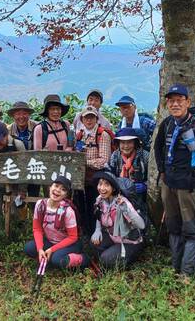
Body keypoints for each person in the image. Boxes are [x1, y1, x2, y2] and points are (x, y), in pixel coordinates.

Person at [154, 84, 195, 276]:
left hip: (188, 185)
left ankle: (187, 273)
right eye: (171, 101)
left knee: (190, 229)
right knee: (173, 226)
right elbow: (158, 149)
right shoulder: (167, 124)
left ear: (188, 102)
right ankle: (175, 266)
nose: (175, 104)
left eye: (179, 100)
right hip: (169, 184)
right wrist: (163, 172)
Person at [23, 176, 88, 269]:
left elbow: (73, 237)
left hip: (70, 244)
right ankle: (49, 256)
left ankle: (84, 259)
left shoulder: (68, 211)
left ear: (66, 195)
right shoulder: (40, 204)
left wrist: (52, 249)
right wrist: (40, 249)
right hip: (50, 241)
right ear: (50, 187)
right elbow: (37, 229)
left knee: (57, 260)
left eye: (63, 189)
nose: (57, 190)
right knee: (29, 248)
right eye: (56, 186)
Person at [90, 171, 146, 268]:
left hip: (129, 241)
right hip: (114, 236)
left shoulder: (122, 202)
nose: (102, 188)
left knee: (105, 260)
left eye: (106, 184)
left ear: (114, 188)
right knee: (93, 244)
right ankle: (113, 254)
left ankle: (129, 257)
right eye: (100, 184)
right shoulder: (100, 200)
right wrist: (97, 230)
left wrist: (126, 210)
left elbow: (141, 225)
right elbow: (99, 215)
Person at [73, 105, 112, 234]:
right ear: (82, 120)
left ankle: (96, 232)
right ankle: (84, 231)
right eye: (86, 118)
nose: (89, 121)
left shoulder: (102, 135)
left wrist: (84, 163)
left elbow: (104, 160)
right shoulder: (80, 135)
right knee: (81, 205)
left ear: (96, 119)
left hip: (96, 179)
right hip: (81, 178)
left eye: (92, 118)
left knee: (94, 205)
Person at [0, 121, 27, 230]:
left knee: (14, 211)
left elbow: (24, 169)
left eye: (0, 141)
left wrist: (22, 190)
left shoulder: (18, 145)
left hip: (15, 183)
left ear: (6, 135)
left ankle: (17, 235)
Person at [106, 127, 149, 202]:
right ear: (118, 143)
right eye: (122, 142)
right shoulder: (115, 156)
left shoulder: (144, 155)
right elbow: (109, 175)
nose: (126, 146)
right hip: (120, 196)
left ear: (135, 143)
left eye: (129, 142)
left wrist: (146, 185)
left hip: (142, 197)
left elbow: (153, 177)